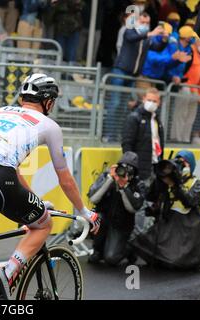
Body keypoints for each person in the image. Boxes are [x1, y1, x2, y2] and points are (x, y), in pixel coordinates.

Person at [0, 73, 101, 299]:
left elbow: (13, 169)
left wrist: (36, 202)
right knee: (43, 225)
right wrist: (84, 211)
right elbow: (65, 178)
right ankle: (6, 274)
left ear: (23, 97)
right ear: (48, 101)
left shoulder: (1, 111)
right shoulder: (49, 125)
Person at [130, 150, 200, 270]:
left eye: (184, 163)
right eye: (178, 163)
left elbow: (191, 202)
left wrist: (177, 186)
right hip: (169, 221)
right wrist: (160, 181)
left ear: (191, 166)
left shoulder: (196, 183)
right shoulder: (166, 183)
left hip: (188, 224)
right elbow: (150, 197)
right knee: (140, 244)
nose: (181, 166)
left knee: (175, 259)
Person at [103, 12, 165, 142]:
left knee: (126, 106)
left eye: (147, 23)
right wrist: (150, 33)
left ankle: (118, 134)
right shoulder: (129, 31)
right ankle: (108, 134)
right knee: (115, 103)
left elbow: (157, 47)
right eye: (142, 22)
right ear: (136, 22)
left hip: (132, 76)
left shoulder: (147, 39)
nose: (145, 25)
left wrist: (164, 39)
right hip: (120, 72)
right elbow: (131, 38)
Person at [87, 151, 145, 266]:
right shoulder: (108, 176)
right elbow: (93, 199)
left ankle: (130, 249)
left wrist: (124, 187)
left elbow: (133, 209)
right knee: (95, 217)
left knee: (110, 259)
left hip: (121, 225)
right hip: (105, 219)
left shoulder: (137, 184)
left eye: (129, 169)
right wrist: (109, 179)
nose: (123, 172)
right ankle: (97, 250)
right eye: (122, 167)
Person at [122, 87, 164, 182]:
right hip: (139, 168)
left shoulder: (157, 119)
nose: (151, 103)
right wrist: (130, 166)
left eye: (154, 101)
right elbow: (127, 143)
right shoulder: (134, 118)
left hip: (154, 165)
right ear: (143, 99)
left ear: (159, 102)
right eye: (149, 100)